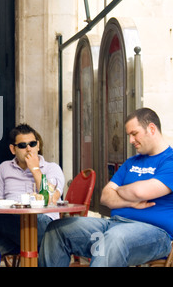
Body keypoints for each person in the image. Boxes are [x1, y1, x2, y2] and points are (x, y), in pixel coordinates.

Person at [39, 108, 173, 267]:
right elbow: (106, 196)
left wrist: (121, 190)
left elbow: (140, 191)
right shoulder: (131, 162)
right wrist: (130, 202)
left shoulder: (169, 161)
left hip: (155, 235)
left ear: (151, 128)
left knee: (113, 238)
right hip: (114, 224)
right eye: (129, 135)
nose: (130, 140)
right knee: (57, 229)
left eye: (134, 134)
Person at [0, 123, 65, 255]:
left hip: (43, 228)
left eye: (32, 144)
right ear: (13, 149)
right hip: (12, 230)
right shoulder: (5, 168)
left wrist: (35, 169)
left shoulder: (52, 168)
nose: (29, 149)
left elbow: (51, 198)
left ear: (38, 145)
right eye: (23, 146)